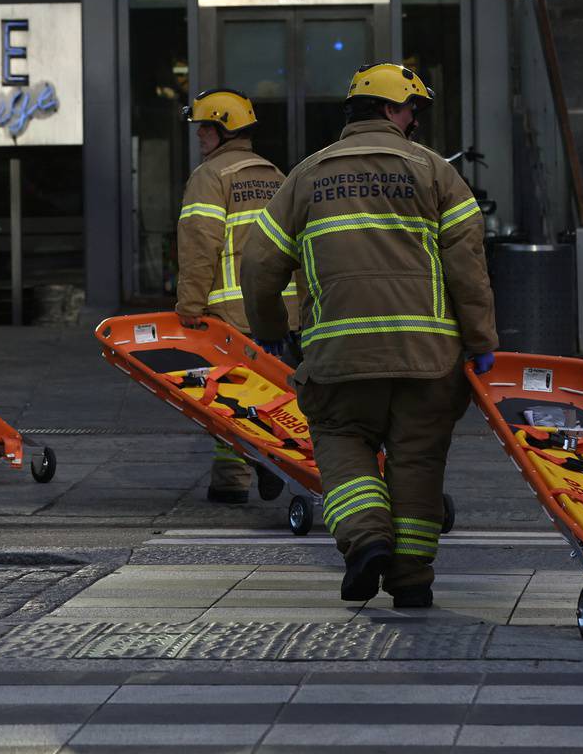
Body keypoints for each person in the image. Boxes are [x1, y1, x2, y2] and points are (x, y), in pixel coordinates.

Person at [243, 63, 498, 609]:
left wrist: (271, 331)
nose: (414, 121)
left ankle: (365, 541)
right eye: (411, 110)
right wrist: (480, 342)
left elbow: (259, 263)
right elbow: (468, 266)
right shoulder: (435, 173)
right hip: (428, 359)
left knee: (340, 444)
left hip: (339, 358)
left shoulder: (306, 176)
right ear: (389, 109)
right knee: (417, 462)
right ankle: (411, 582)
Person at [174, 88, 296, 504]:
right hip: (279, 313)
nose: (199, 135)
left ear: (225, 128)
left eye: (205, 127)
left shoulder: (210, 177)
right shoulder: (275, 176)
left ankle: (249, 467)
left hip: (230, 315)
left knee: (225, 398)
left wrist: (189, 305)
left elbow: (199, 245)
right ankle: (232, 479)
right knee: (269, 397)